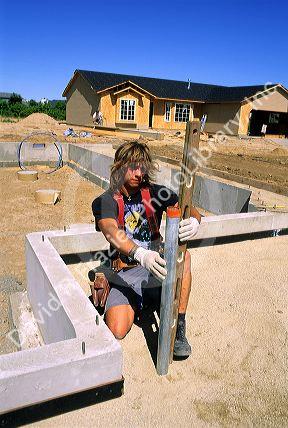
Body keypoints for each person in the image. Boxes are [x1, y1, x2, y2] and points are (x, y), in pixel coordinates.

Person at [92, 141, 201, 357]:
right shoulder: (106, 200)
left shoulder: (154, 193)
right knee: (117, 329)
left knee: (184, 256)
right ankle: (142, 300)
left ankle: (179, 327)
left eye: (142, 167)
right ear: (119, 167)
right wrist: (140, 254)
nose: (138, 172)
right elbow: (110, 230)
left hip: (156, 267)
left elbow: (190, 209)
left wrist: (196, 222)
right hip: (125, 272)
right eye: (132, 166)